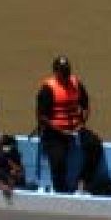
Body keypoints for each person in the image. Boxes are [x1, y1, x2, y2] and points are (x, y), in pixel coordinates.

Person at [35, 55, 90, 193]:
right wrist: (61, 131)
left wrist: (82, 124)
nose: (65, 75)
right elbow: (42, 117)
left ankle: (85, 181)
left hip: (75, 130)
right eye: (62, 72)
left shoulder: (76, 83)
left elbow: (86, 105)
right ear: (56, 72)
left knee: (95, 146)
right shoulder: (48, 89)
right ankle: (61, 192)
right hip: (54, 134)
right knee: (58, 160)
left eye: (67, 71)